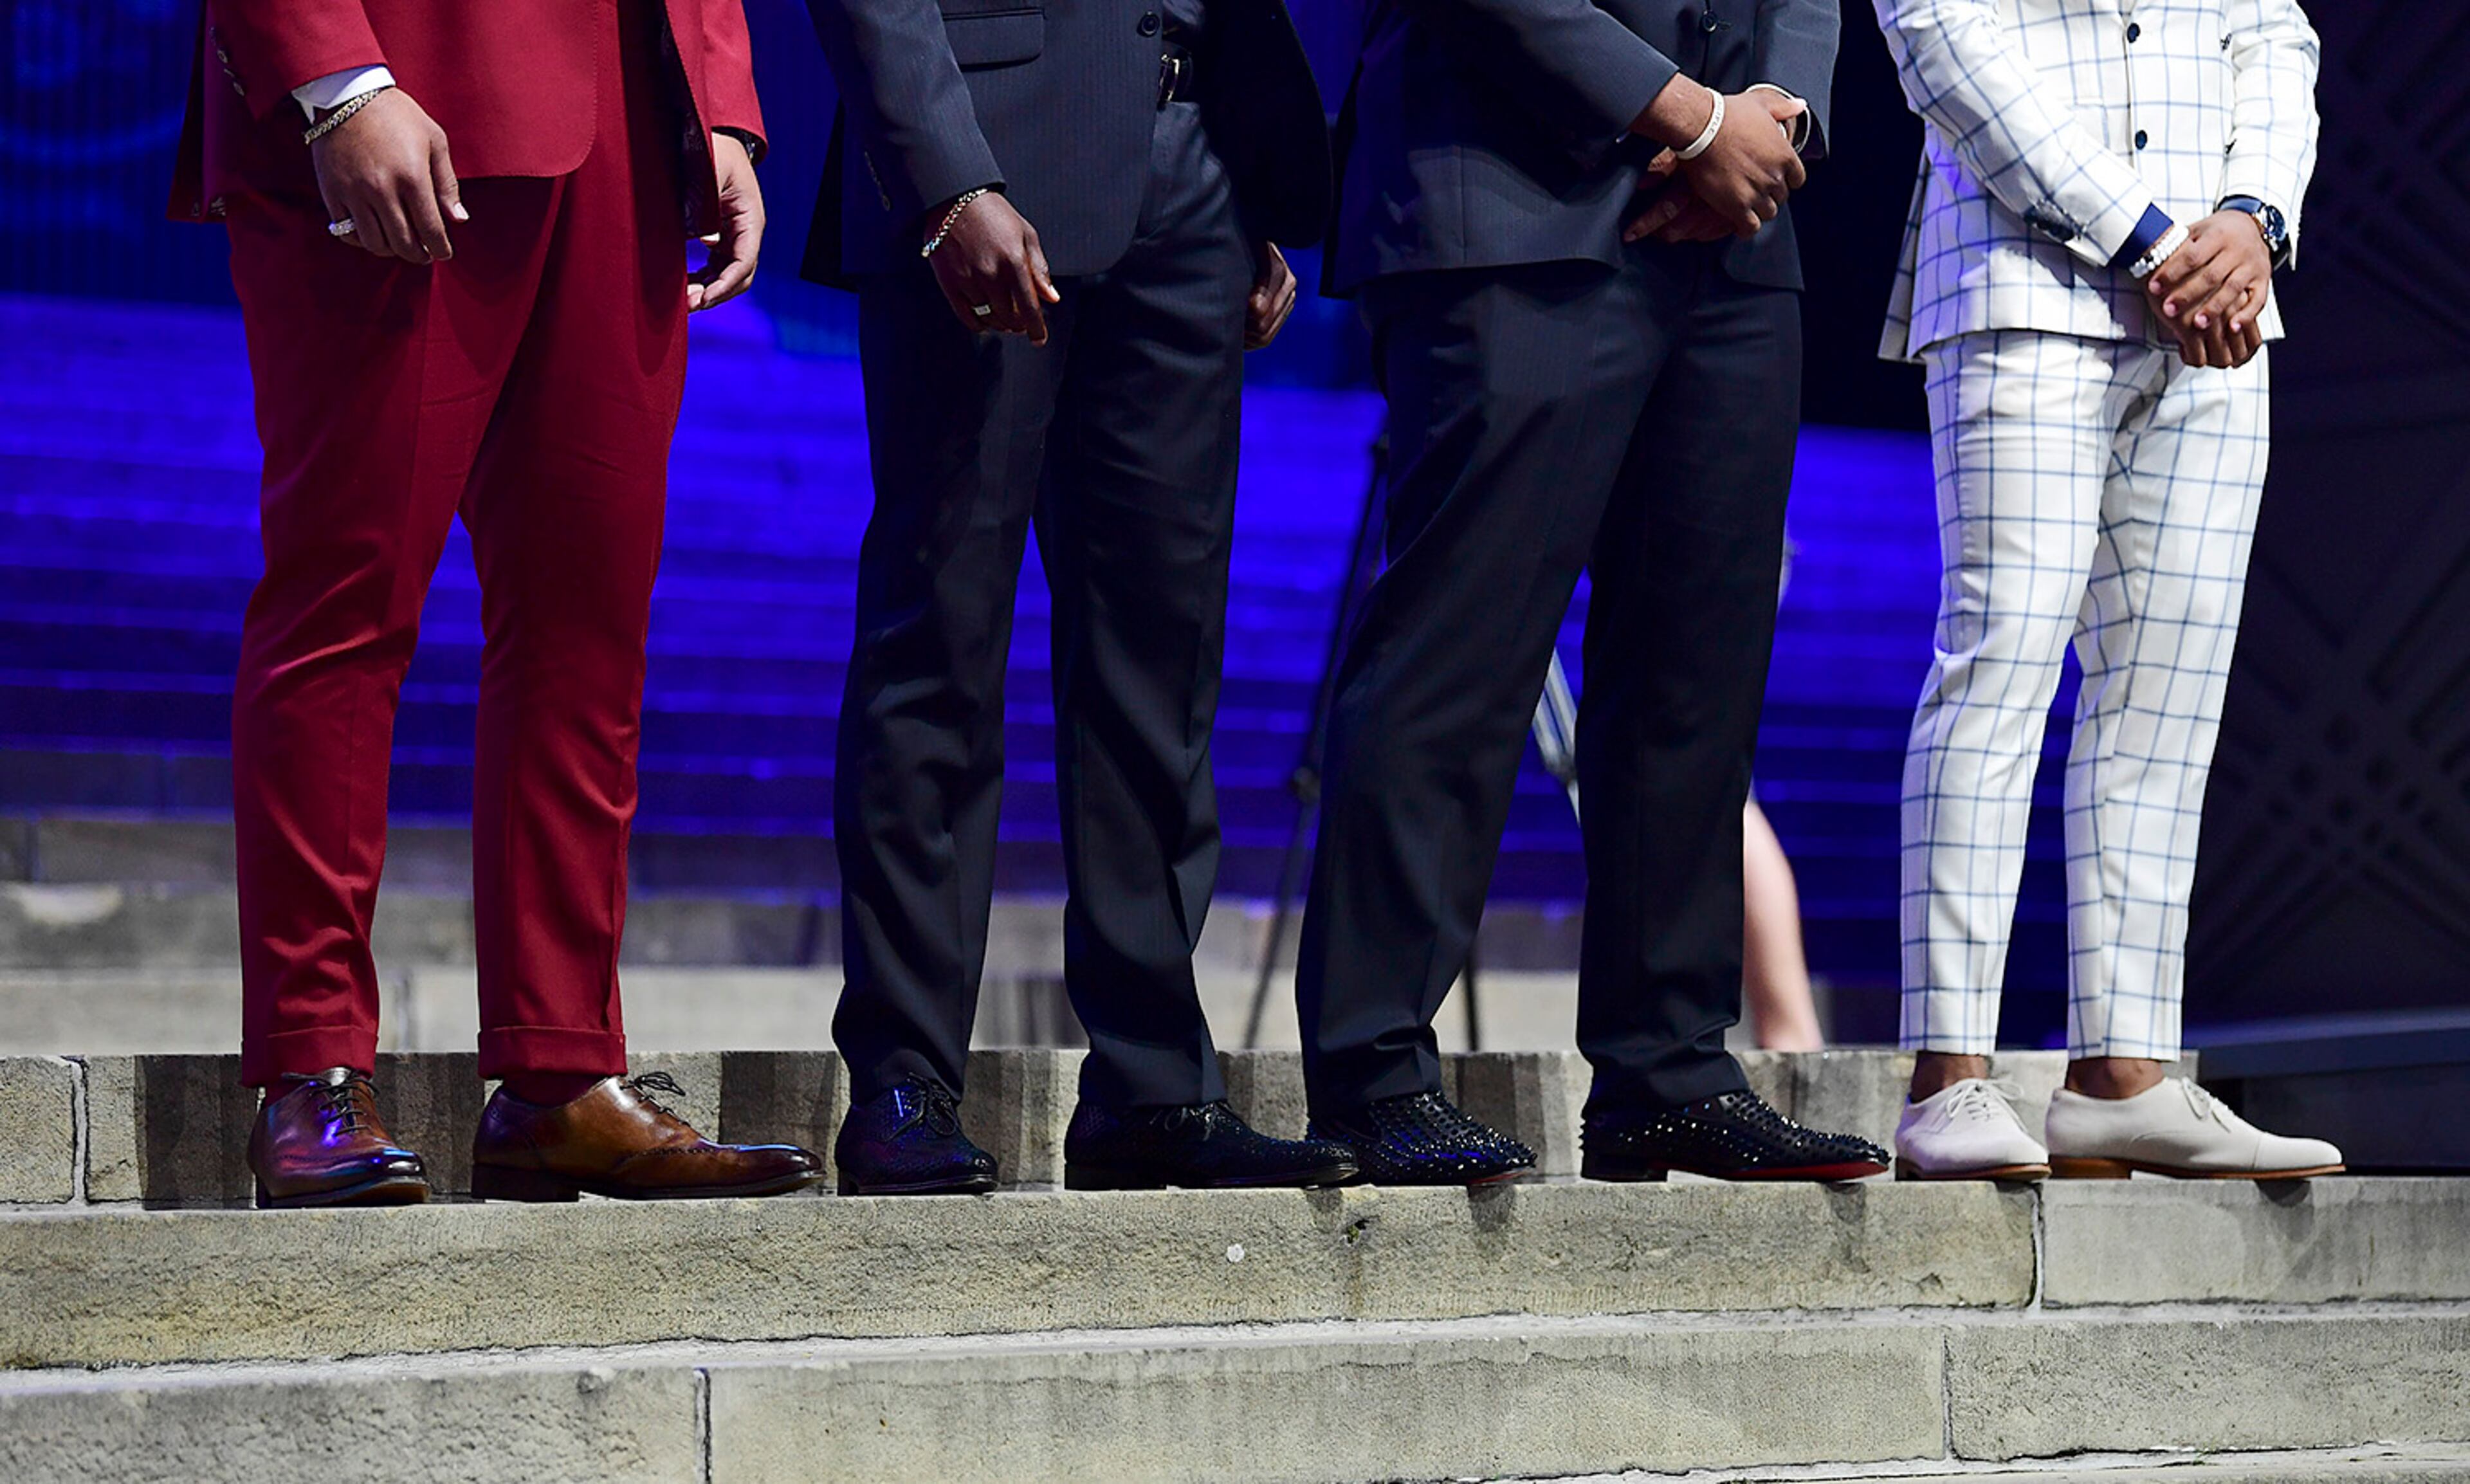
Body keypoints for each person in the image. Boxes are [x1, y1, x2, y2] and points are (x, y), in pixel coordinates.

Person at [178, 0, 823, 1205]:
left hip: (629, 123)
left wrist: (718, 104)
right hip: (400, 93)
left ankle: (559, 1072)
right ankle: (312, 1067)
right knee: (344, 604)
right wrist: (335, 82)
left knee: (590, 625)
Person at [1299, 0, 1894, 1184]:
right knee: (1457, 659)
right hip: (1508, 201)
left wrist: (1778, 117)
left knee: (1694, 671)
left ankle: (1664, 1072)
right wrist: (1693, 115)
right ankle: (1372, 1077)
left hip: (1733, 234)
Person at [803, 0, 1358, 1192]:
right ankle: (903, 1077)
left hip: (1196, 168)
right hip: (988, 164)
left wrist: (1238, 178)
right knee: (939, 636)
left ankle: (1152, 1086)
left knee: (1159, 660)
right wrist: (947, 181)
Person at [1875, 0, 2343, 1180]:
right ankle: (1950, 1078)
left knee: (2167, 702)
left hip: (2220, 319)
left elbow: (2273, 34)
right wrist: (2149, 242)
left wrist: (2254, 219)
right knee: (2001, 670)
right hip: (2021, 285)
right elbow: (1944, 41)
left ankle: (2123, 1072)